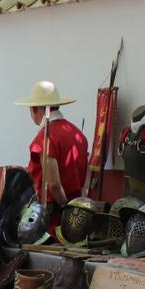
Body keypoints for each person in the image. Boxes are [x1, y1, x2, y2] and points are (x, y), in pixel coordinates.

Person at [15, 81, 88, 210]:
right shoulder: (78, 134)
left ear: (36, 109)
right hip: (78, 208)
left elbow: (53, 184)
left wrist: (65, 208)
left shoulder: (45, 138)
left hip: (54, 213)